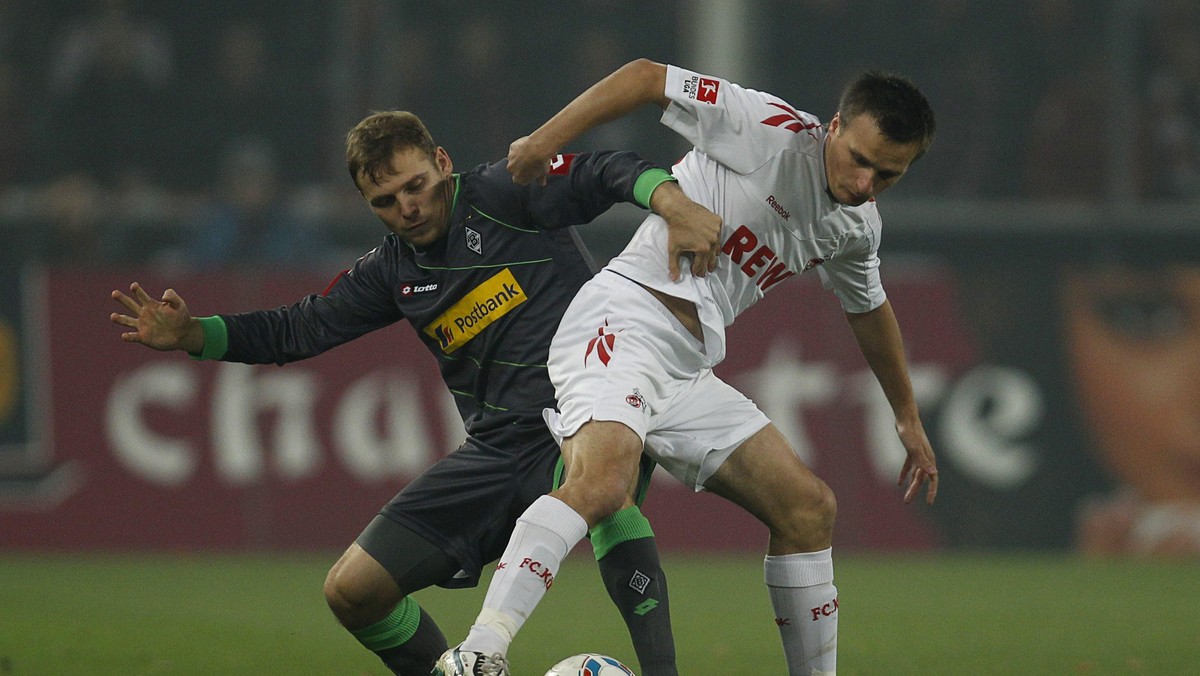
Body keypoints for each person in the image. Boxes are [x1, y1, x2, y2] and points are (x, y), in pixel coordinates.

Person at [110, 110, 724, 675]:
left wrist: (672, 206)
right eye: (384, 200)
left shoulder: (504, 195)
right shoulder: (391, 271)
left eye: (415, 185)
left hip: (592, 407)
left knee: (602, 488)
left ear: (443, 161)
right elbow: (299, 328)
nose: (406, 207)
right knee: (352, 591)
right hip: (496, 450)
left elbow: (605, 170)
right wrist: (196, 334)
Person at [438, 59, 939, 675]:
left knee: (809, 509)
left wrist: (907, 415)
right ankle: (477, 652)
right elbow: (647, 77)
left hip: (687, 366)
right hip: (623, 321)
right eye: (859, 158)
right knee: (601, 487)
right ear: (834, 127)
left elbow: (869, 308)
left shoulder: (856, 225)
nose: (865, 182)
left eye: (887, 174)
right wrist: (545, 141)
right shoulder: (768, 129)